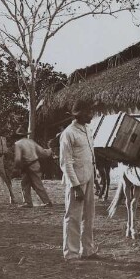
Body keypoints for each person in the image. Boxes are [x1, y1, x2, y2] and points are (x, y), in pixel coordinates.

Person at [60, 100, 99, 261]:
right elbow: (65, 162)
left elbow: (91, 156)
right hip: (76, 180)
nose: (92, 115)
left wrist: (95, 177)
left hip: (89, 177)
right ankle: (71, 253)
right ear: (79, 114)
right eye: (89, 112)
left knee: (89, 215)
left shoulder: (87, 130)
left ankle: (87, 250)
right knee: (73, 216)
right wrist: (75, 186)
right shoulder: (69, 133)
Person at [14, 126, 53, 208]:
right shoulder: (31, 142)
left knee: (35, 183)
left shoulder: (17, 144)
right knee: (25, 183)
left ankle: (47, 202)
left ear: (18, 136)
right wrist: (50, 150)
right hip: (35, 164)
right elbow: (42, 152)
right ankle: (28, 202)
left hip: (27, 165)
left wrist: (17, 168)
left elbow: (17, 159)